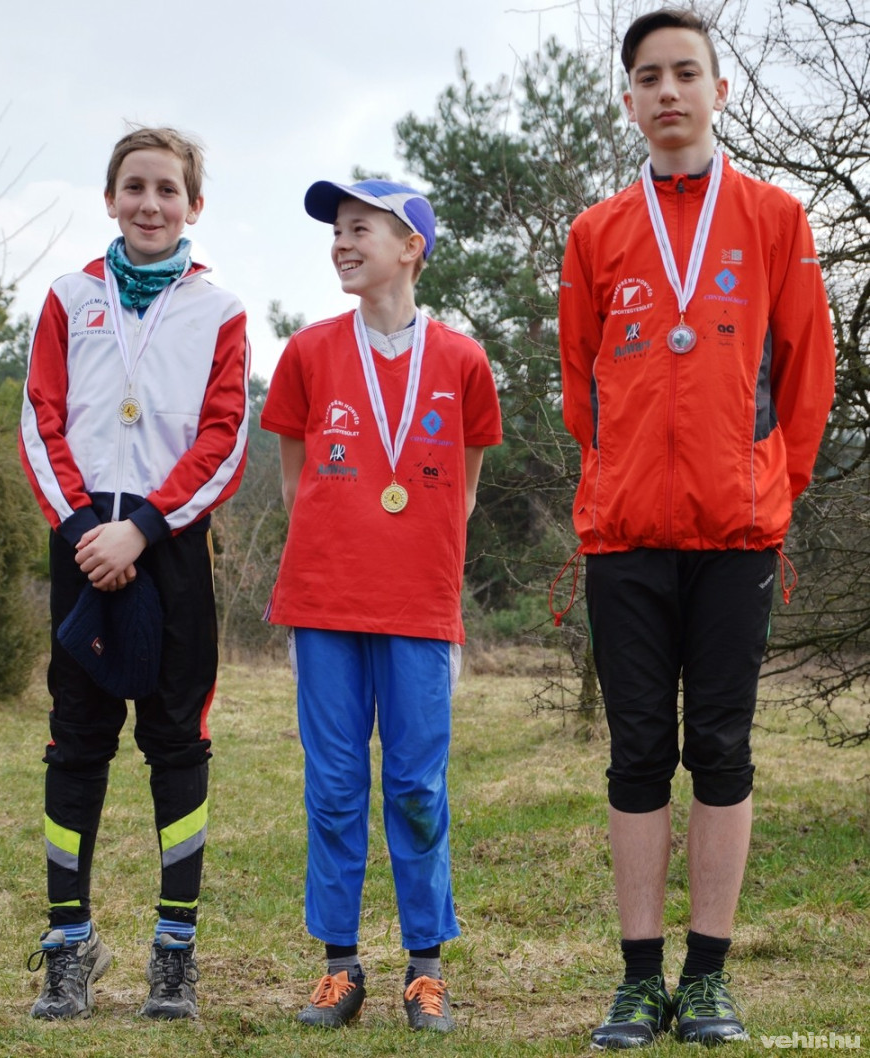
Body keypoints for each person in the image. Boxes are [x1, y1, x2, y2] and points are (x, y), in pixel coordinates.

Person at [556, 8, 835, 1048]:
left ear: (720, 91)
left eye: (686, 72)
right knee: (637, 751)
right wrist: (617, 479)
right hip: (625, 537)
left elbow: (807, 376)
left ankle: (709, 975)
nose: (668, 91)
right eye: (649, 77)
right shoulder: (595, 233)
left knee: (721, 746)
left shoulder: (775, 218)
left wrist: (768, 488)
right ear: (629, 99)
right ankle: (639, 980)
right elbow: (581, 387)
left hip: (739, 533)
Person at [19, 126, 250, 1021]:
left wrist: (143, 529)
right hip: (82, 542)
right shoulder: (68, 296)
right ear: (110, 197)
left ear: (195, 205)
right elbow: (41, 418)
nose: (150, 204)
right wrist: (88, 531)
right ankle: (68, 944)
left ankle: (174, 952)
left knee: (177, 744)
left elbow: (224, 439)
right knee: (77, 740)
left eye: (168, 190)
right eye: (135, 187)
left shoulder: (220, 310)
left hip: (170, 546)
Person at [261, 179, 502, 1032]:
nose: (341, 242)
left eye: (359, 228)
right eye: (337, 230)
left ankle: (425, 970)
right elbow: (295, 484)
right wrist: (346, 542)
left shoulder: (464, 361)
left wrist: (404, 550)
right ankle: (340, 968)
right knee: (333, 786)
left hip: (419, 610)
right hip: (325, 601)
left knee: (415, 788)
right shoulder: (307, 352)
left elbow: (464, 491)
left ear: (410, 247)